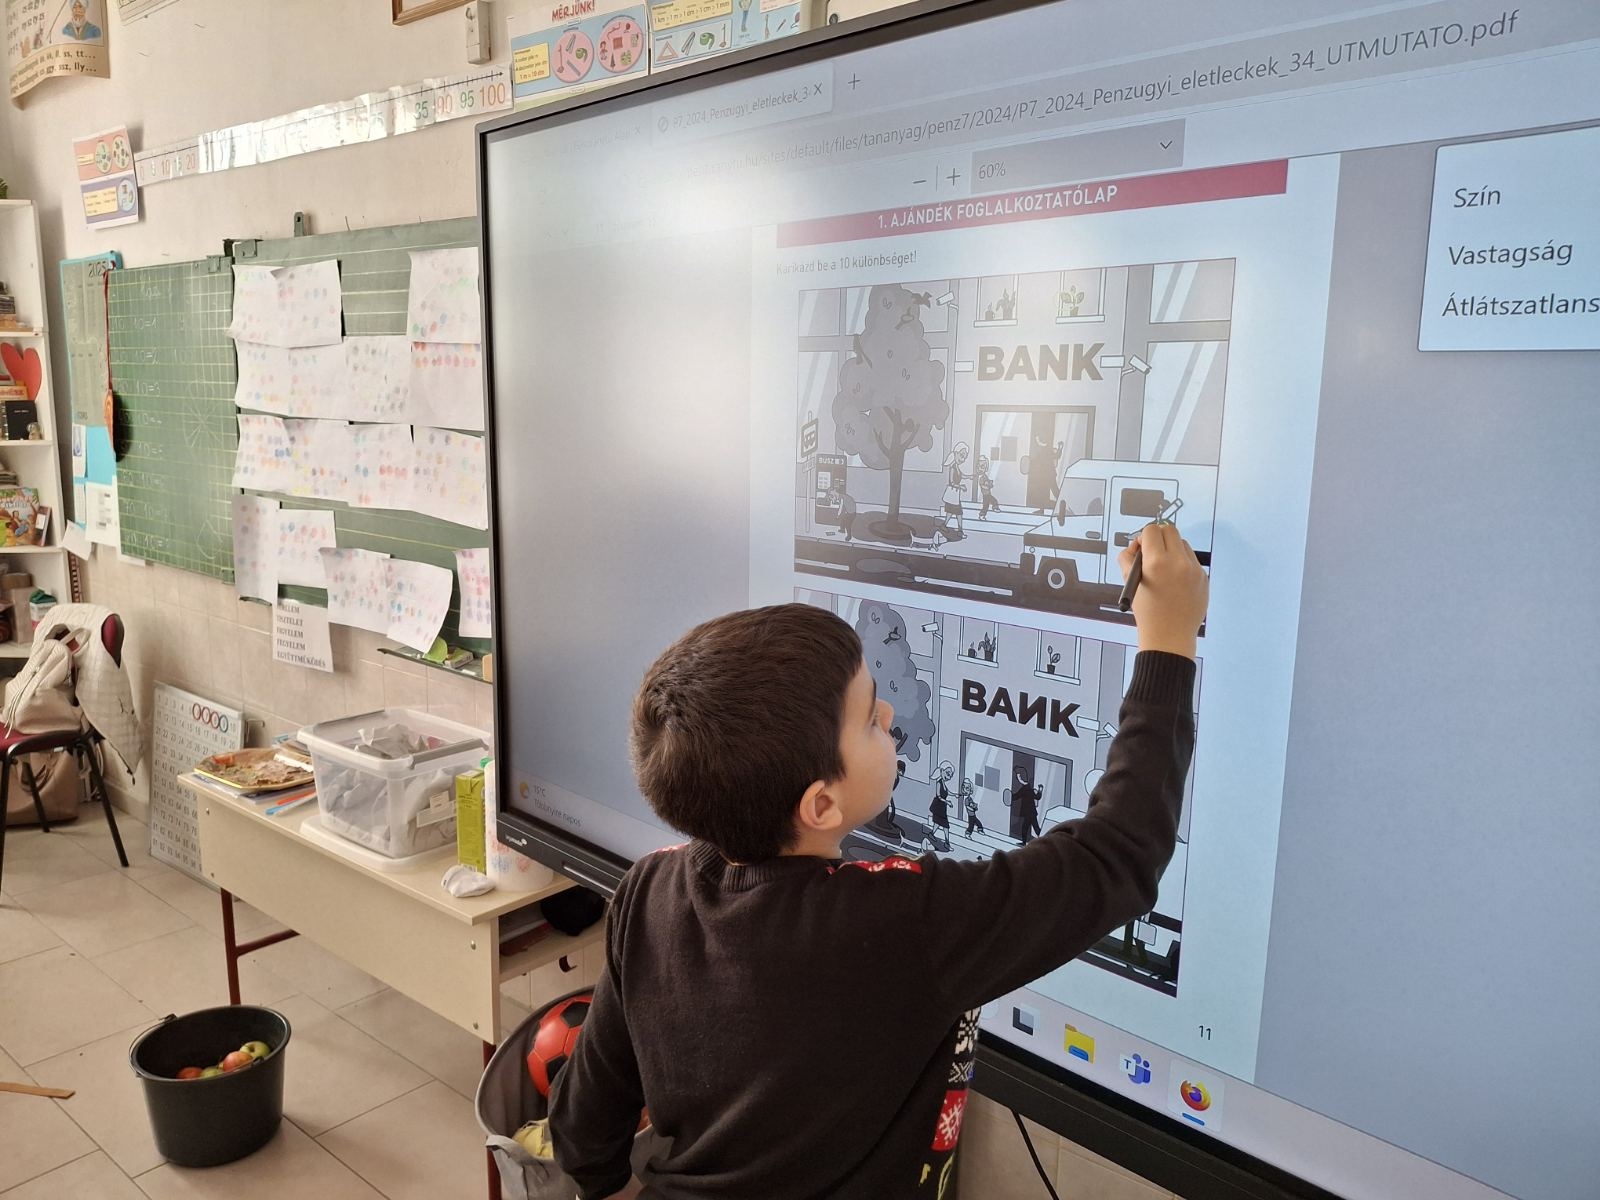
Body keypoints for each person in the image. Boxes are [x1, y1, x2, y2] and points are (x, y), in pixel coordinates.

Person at [549, 523, 1207, 1199]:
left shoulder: (647, 890)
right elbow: (1118, 853)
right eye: (868, 718)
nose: (889, 712)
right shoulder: (897, 922)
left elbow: (582, 1135)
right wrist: (1168, 640)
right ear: (821, 804)